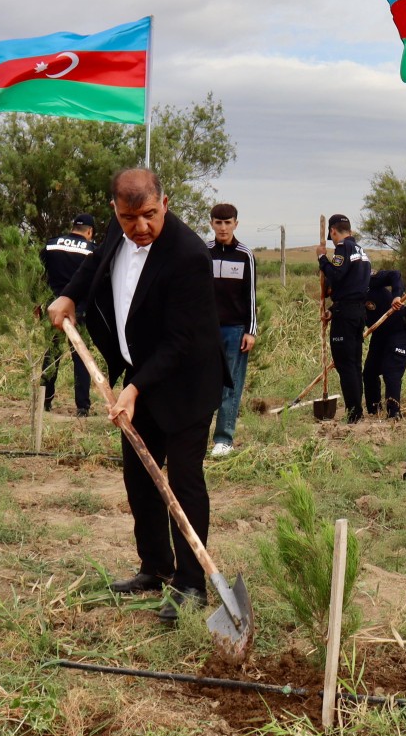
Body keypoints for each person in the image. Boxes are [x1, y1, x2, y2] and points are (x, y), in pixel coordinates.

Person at [48, 168, 226, 622]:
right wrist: (69, 296)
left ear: (163, 203)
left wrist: (134, 388)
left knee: (182, 482)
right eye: (130, 218)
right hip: (138, 377)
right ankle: (155, 567)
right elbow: (95, 264)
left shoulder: (188, 255)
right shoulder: (116, 231)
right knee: (140, 478)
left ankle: (191, 584)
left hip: (186, 380)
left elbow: (180, 341)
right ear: (116, 211)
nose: (140, 227)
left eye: (149, 215)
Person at [206, 203, 257, 457]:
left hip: (236, 330)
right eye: (218, 222)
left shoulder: (245, 255)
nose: (223, 227)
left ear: (236, 224)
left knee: (231, 385)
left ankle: (223, 439)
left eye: (228, 223)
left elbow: (251, 297)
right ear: (211, 223)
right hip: (206, 330)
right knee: (203, 383)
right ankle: (196, 434)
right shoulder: (203, 252)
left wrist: (251, 331)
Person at [39, 213, 97, 416]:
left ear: (73, 228)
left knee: (52, 355)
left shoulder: (51, 245)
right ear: (89, 231)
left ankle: (44, 401)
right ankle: (82, 407)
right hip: (78, 311)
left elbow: (40, 274)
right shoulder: (92, 250)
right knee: (80, 356)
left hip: (53, 308)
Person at [316, 214, 371, 423]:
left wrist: (322, 258)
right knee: (354, 363)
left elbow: (337, 275)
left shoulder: (343, 248)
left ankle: (353, 413)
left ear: (333, 232)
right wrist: (333, 307)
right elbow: (350, 285)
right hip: (357, 312)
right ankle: (357, 410)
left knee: (344, 362)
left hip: (346, 316)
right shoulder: (362, 252)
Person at [364, 268, 406, 418]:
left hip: (398, 329)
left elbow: (395, 274)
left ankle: (393, 413)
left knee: (391, 371)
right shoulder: (349, 289)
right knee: (369, 372)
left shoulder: (368, 278)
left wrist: (397, 296)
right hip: (379, 332)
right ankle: (374, 411)